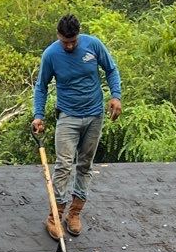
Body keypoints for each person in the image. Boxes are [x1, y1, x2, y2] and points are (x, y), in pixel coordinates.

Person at [31, 15, 122, 238]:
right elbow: (41, 86)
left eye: (73, 41)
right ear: (58, 36)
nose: (70, 45)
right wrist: (38, 115)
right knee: (63, 165)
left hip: (94, 115)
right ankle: (55, 216)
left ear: (78, 35)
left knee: (85, 164)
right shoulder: (51, 54)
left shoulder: (93, 45)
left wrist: (116, 96)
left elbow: (111, 69)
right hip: (68, 117)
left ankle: (75, 213)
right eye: (65, 42)